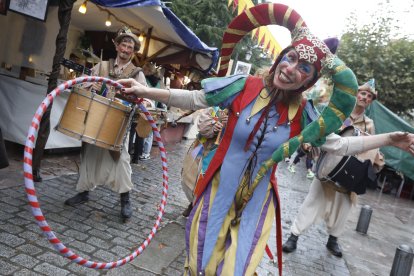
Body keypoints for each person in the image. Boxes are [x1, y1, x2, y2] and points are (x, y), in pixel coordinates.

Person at [116, 4, 414, 275]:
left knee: (237, 268)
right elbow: (196, 98)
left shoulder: (305, 114)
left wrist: (389, 139)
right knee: (202, 264)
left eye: (304, 69)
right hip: (217, 188)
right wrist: (144, 91)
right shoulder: (244, 86)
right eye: (291, 58)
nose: (292, 70)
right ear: (281, 57)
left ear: (309, 81)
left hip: (258, 200)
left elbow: (340, 144)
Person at [282, 78, 382, 257]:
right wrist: (309, 142)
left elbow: (371, 146)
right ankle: (294, 236)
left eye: (369, 96)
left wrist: (377, 160)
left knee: (343, 209)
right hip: (328, 167)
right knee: (312, 202)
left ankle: (333, 240)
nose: (365, 97)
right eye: (363, 93)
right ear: (357, 94)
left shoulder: (369, 124)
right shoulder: (340, 113)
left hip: (349, 173)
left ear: (371, 101)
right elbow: (322, 131)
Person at [64, 26, 147, 221]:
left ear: (134, 52)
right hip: (95, 118)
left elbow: (145, 97)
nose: (126, 50)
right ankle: (84, 192)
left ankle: (125, 199)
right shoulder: (101, 66)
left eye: (130, 48)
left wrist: (134, 96)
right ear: (117, 46)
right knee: (89, 153)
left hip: (118, 123)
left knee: (121, 159)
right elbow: (84, 84)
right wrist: (89, 85)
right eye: (124, 45)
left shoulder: (136, 74)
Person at [181, 107, 228, 217]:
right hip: (200, 147)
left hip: (220, 153)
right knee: (189, 175)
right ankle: (192, 203)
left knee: (209, 181)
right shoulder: (215, 108)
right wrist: (216, 124)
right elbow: (203, 128)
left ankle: (200, 207)